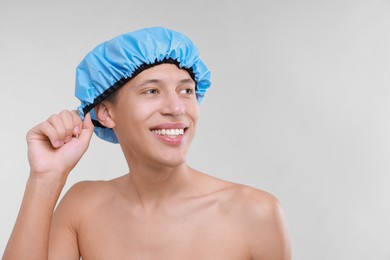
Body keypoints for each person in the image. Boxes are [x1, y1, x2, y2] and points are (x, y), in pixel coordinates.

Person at [3, 27, 291, 259]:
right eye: (152, 90)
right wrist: (45, 177)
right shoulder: (82, 208)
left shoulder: (256, 213)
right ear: (106, 112)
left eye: (186, 90)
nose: (177, 108)